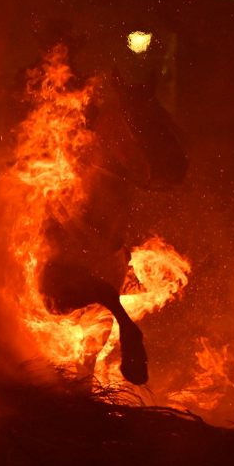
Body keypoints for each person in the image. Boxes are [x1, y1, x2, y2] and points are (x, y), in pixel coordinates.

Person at [37, 63, 188, 385]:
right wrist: (126, 323)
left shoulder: (77, 91)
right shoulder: (50, 96)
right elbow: (58, 302)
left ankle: (83, 391)